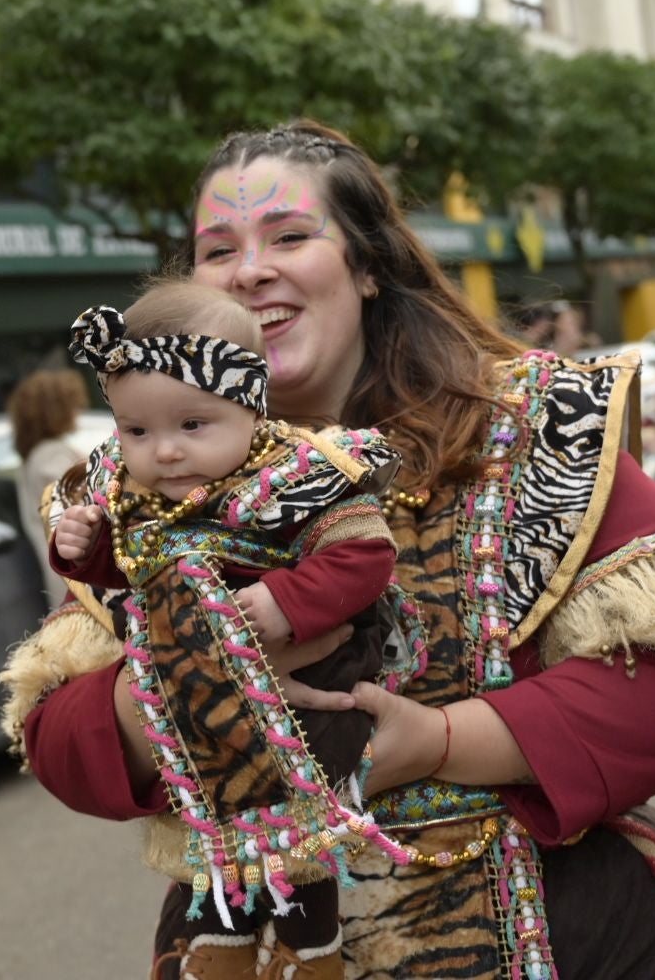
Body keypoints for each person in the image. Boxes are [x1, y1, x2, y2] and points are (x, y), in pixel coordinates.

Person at [0, 122, 655, 980]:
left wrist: (441, 739)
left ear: (368, 266)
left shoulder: (530, 425)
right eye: (216, 248)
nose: (250, 269)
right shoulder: (135, 483)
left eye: (291, 237)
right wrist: (180, 684)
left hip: (547, 928)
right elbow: (56, 736)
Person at [40, 289, 413, 974]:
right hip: (199, 702)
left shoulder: (297, 473)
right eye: (137, 431)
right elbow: (120, 572)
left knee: (293, 821)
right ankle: (224, 931)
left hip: (313, 692)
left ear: (251, 406)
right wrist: (81, 545)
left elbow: (365, 553)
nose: (167, 452)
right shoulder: (128, 495)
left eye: (192, 423)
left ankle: (311, 942)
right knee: (212, 819)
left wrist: (284, 602)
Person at [7, 368, 89, 605]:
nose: (78, 410)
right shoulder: (50, 456)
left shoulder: (35, 454)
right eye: (71, 404)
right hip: (78, 578)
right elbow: (86, 501)